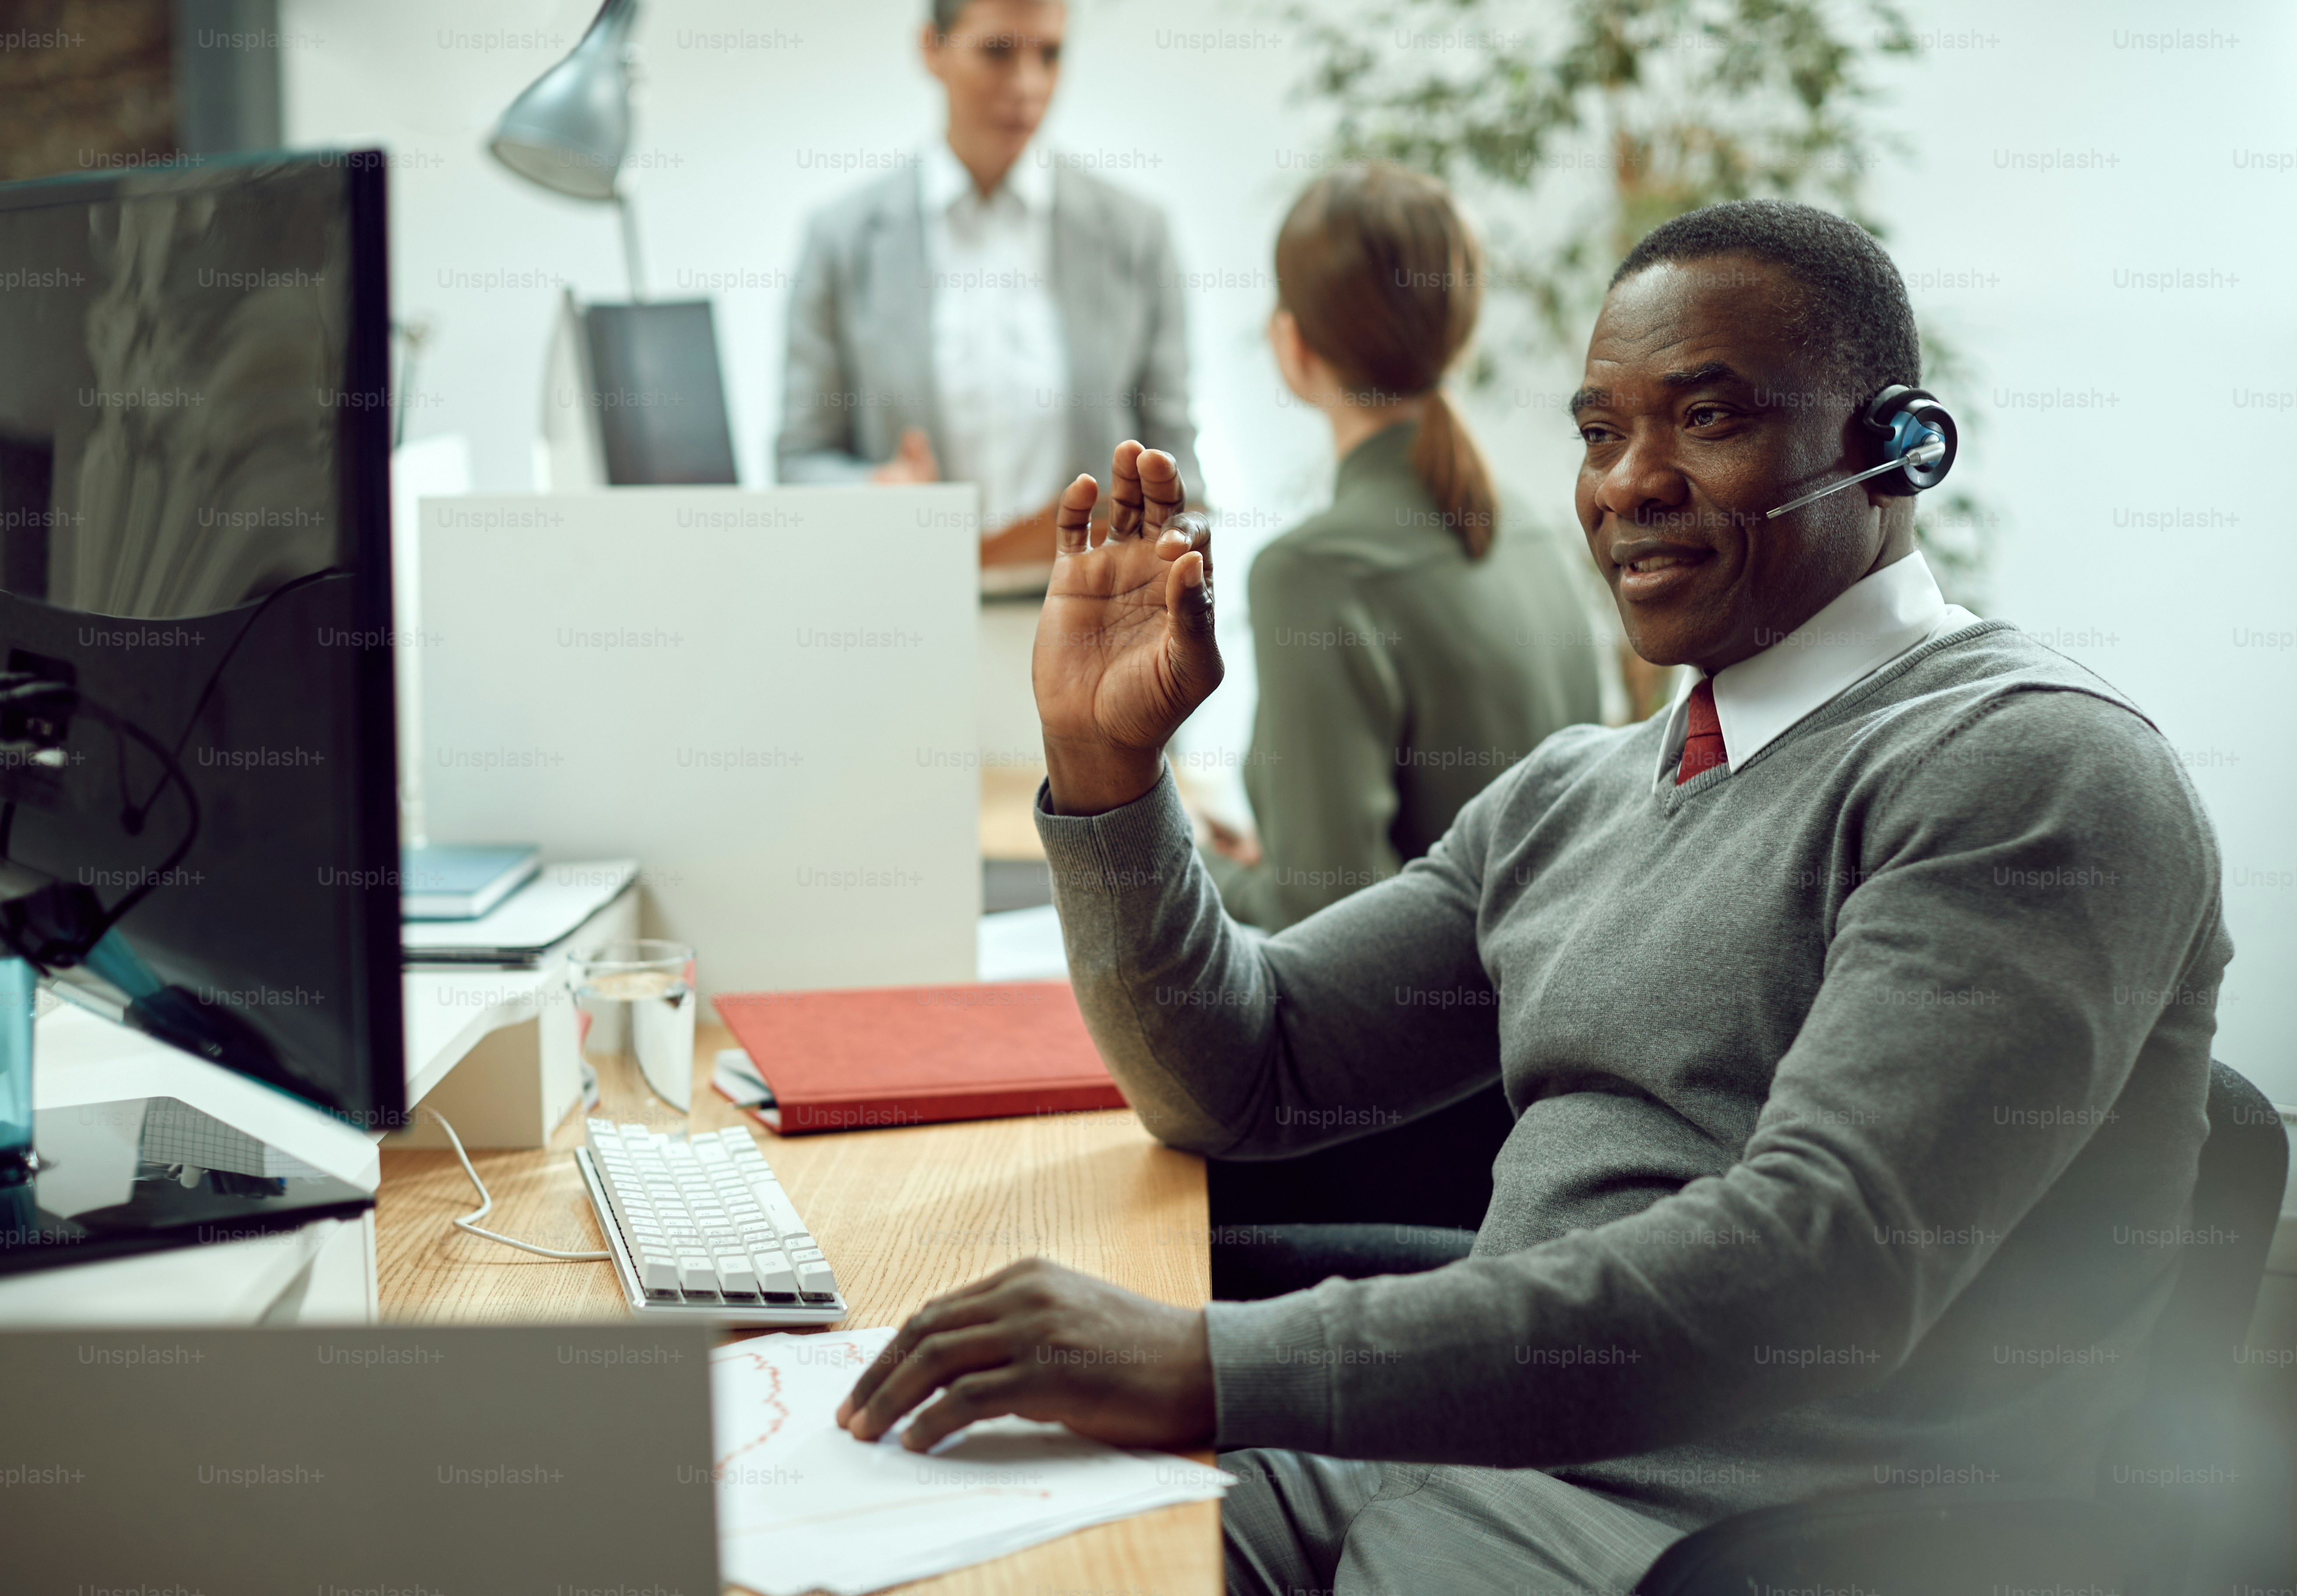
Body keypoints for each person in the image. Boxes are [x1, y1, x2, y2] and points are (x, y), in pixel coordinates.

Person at [832, 201, 2231, 1595]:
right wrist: (1105, 768)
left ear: (1895, 448)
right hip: (1428, 1467)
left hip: (1708, 1544)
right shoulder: (1579, 794)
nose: (1630, 482)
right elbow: (1241, 1077)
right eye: (1600, 431)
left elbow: (1816, 1264)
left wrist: (1204, 1365)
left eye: (1710, 418)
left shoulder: (2031, 768)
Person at [1200, 163, 1603, 932]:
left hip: (1423, 1046)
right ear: (1459, 334)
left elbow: (1328, 923)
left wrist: (1191, 864)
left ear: (1292, 345)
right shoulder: (1535, 534)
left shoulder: (1312, 572)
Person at [775, 0, 1203, 580]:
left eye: (1049, 54)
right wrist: (876, 490)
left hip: (1098, 623)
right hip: (910, 608)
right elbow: (799, 461)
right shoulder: (842, 239)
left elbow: (1180, 470)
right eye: (997, 51)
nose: (1027, 84)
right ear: (932, 49)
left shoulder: (1135, 234)